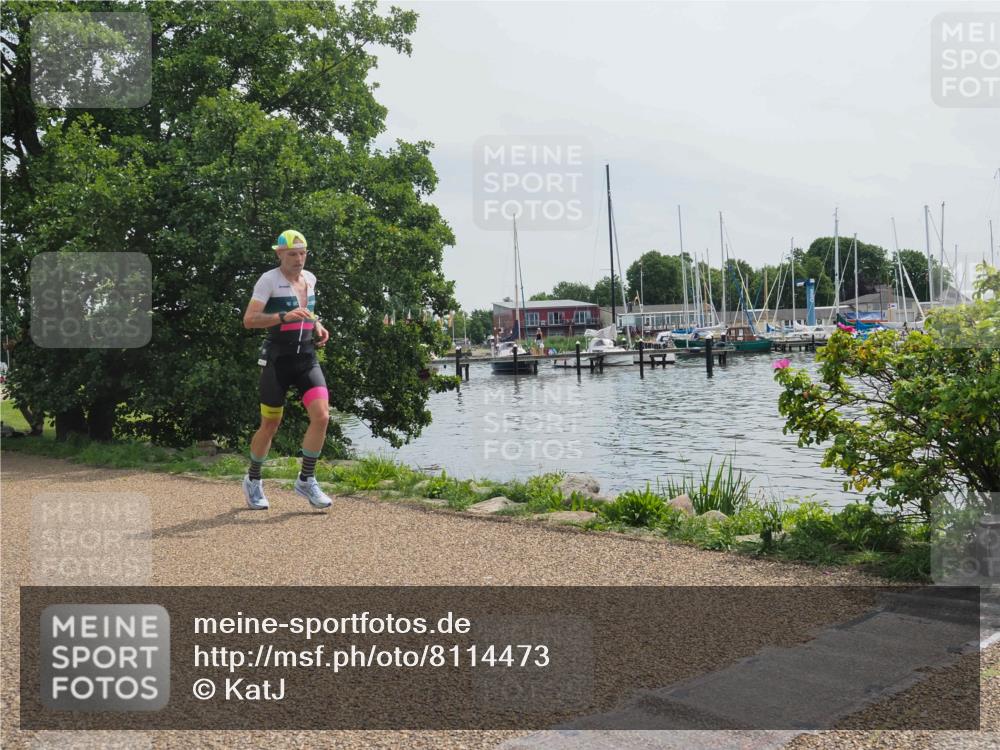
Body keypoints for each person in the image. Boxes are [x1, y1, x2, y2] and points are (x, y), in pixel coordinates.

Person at [241, 230, 332, 510]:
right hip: (277, 360)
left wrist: (316, 324)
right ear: (279, 254)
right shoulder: (269, 280)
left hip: (306, 356)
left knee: (322, 417)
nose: (298, 259)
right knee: (270, 424)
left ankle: (306, 479)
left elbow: (306, 310)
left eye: (302, 253)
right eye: (292, 253)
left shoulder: (310, 279)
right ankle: (253, 480)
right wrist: (282, 316)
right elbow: (249, 320)